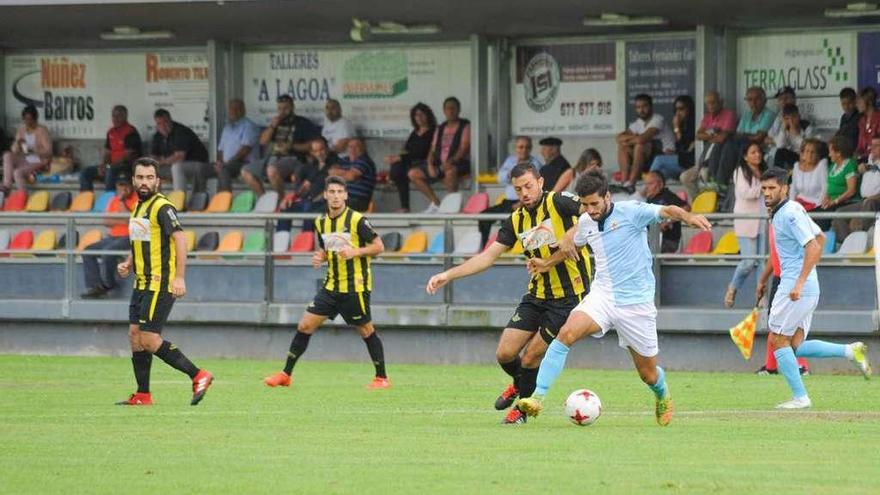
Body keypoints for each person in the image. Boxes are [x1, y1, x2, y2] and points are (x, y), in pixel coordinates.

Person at [516, 170, 711, 426]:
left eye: (594, 203)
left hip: (636, 304)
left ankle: (662, 394)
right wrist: (546, 263)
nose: (590, 209)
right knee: (565, 334)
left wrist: (688, 216)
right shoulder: (585, 221)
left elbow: (667, 210)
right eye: (585, 204)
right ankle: (537, 398)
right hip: (603, 296)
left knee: (648, 374)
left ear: (607, 196)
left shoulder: (631, 211)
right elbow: (571, 247)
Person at [426, 163, 593, 425]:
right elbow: (487, 257)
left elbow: (591, 212)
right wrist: (448, 275)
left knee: (531, 357)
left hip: (568, 298)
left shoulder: (559, 202)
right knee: (505, 353)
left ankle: (522, 412)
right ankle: (519, 383)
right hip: (537, 295)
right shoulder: (515, 220)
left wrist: (571, 234)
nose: (524, 192)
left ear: (540, 182)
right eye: (518, 189)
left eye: (528, 186)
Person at [757, 167, 871, 409]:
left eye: (772, 188)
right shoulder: (790, 210)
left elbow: (812, 246)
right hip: (804, 285)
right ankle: (850, 351)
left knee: (777, 340)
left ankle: (800, 397)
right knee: (794, 345)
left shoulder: (789, 213)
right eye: (764, 188)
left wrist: (799, 281)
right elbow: (819, 238)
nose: (766, 193)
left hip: (794, 287)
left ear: (784, 188)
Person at [264, 176, 389, 389]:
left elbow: (379, 246)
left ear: (346, 195)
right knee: (304, 325)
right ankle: (286, 374)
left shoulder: (357, 220)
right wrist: (320, 256)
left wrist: (355, 252)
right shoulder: (320, 223)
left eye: (340, 192)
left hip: (355, 287)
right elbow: (327, 248)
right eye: (332, 192)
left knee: (366, 330)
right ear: (325, 195)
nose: (336, 196)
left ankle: (381, 378)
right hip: (330, 286)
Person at [115, 157, 213, 406]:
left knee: (148, 338)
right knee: (135, 335)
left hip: (160, 282)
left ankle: (198, 375)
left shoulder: (162, 207)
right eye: (140, 177)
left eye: (150, 177)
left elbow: (180, 239)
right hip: (142, 282)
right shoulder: (138, 207)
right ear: (133, 180)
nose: (145, 182)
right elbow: (141, 241)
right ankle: (143, 394)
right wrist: (129, 262)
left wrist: (179, 277)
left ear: (158, 181)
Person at [755, 223, 810, 376]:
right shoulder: (773, 223)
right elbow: (774, 256)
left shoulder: (791, 219)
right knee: (775, 324)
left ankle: (801, 365)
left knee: (793, 324)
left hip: (793, 278)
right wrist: (762, 280)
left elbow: (811, 247)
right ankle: (771, 367)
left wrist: (801, 279)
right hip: (780, 279)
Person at [80, 169, 139, 299]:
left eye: (125, 185)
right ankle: (96, 286)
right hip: (113, 236)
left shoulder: (138, 199)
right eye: (120, 185)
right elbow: (106, 221)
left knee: (108, 252)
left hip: (130, 237)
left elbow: (132, 221)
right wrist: (123, 218)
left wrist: (123, 203)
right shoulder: (114, 200)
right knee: (88, 251)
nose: (122, 188)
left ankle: (108, 284)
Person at [724, 142, 767, 308]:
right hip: (746, 220)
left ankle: (761, 299)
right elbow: (746, 193)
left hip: (763, 221)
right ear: (745, 156)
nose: (757, 155)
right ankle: (733, 287)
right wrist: (764, 187)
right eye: (753, 152)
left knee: (763, 263)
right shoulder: (740, 172)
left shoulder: (764, 171)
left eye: (759, 151)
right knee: (749, 261)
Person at [478, 136, 542, 247]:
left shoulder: (535, 164)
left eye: (527, 147)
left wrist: (522, 203)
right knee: (484, 216)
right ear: (515, 148)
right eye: (520, 147)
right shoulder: (510, 160)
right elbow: (500, 178)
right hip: (507, 201)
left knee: (508, 221)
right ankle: (483, 246)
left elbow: (534, 188)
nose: (523, 150)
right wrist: (511, 172)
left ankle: (508, 248)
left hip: (524, 202)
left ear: (531, 148)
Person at [410, 97, 471, 212]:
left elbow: (463, 148)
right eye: (448, 108)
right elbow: (432, 149)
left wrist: (449, 163)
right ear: (444, 111)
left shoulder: (465, 125)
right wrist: (430, 165)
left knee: (450, 173)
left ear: (458, 110)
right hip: (439, 164)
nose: (451, 111)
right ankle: (436, 203)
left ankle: (451, 208)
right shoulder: (440, 127)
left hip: (458, 163)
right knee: (413, 173)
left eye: (453, 108)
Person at [261, 94, 321, 197]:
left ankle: (282, 200)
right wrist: (272, 126)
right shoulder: (276, 123)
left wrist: (291, 146)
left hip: (294, 158)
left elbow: (314, 145)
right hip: (272, 157)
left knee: (271, 170)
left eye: (286, 108)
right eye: (280, 108)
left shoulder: (302, 123)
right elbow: (263, 142)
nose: (283, 111)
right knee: (246, 171)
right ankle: (262, 199)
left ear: (292, 107)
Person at [277, 137, 340, 232]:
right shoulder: (312, 166)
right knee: (286, 208)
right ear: (312, 153)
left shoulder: (335, 164)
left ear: (327, 149)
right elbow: (304, 187)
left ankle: (306, 242)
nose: (319, 153)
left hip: (323, 203)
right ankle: (281, 242)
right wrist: (291, 198)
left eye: (322, 149)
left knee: (309, 209)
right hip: (308, 201)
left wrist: (316, 199)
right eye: (316, 151)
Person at [683, 91, 737, 200]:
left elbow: (722, 138)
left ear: (721, 102)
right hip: (704, 160)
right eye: (708, 103)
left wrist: (708, 133)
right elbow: (698, 135)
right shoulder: (707, 117)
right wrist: (714, 134)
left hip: (717, 161)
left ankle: (709, 205)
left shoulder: (728, 114)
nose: (711, 106)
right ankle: (698, 203)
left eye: (714, 103)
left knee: (704, 174)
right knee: (685, 177)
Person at [616, 94, 675, 193]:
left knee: (640, 146)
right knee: (623, 147)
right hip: (647, 161)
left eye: (644, 106)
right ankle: (624, 183)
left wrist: (634, 139)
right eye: (638, 107)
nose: (641, 110)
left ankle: (631, 184)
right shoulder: (638, 123)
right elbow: (618, 138)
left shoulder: (658, 119)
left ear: (651, 106)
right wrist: (634, 138)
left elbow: (642, 139)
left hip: (664, 158)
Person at [386, 103, 437, 212]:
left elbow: (422, 152)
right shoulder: (415, 132)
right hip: (411, 162)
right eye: (416, 115)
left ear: (428, 115)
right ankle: (405, 207)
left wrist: (401, 158)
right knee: (398, 169)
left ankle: (436, 203)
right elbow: (407, 149)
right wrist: (397, 157)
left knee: (400, 168)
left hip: (425, 162)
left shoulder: (433, 130)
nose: (419, 118)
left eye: (422, 114)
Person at [79, 105, 142, 192]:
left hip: (126, 167)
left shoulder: (131, 132)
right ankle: (86, 200)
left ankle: (109, 201)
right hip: (111, 166)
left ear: (125, 117)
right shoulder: (111, 132)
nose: (115, 119)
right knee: (85, 172)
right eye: (113, 116)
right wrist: (103, 165)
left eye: (118, 116)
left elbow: (127, 156)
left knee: (111, 171)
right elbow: (107, 153)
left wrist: (108, 166)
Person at [831, 135, 880, 242]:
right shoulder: (870, 159)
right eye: (872, 145)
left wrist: (874, 198)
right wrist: (859, 170)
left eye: (876, 146)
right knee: (839, 213)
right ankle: (847, 244)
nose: (872, 148)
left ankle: (859, 243)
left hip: (876, 201)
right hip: (863, 201)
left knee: (869, 204)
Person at [150, 109, 211, 192]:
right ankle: (156, 201)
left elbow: (179, 158)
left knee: (177, 167)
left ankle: (179, 200)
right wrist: (158, 162)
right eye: (159, 123)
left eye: (165, 122)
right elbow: (153, 157)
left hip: (198, 164)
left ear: (170, 120)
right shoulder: (158, 135)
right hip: (173, 165)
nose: (163, 126)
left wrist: (162, 161)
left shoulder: (180, 131)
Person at [2, 105, 52, 193]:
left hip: (38, 161)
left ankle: (23, 197)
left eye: (30, 119)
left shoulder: (42, 130)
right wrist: (18, 143)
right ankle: (7, 185)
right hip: (25, 160)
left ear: (35, 119)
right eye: (25, 119)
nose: (28, 122)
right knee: (7, 155)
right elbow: (13, 151)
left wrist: (33, 151)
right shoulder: (21, 130)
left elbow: (49, 151)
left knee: (17, 173)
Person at [215, 99, 261, 194]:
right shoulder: (227, 127)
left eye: (237, 108)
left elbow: (245, 150)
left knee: (224, 170)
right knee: (200, 169)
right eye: (231, 108)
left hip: (244, 163)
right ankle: (199, 201)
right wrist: (220, 162)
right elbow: (220, 150)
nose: (234, 111)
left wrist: (227, 163)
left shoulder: (249, 126)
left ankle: (224, 202)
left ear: (243, 110)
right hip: (227, 164)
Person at [816, 134, 860, 230]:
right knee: (811, 214)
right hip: (833, 203)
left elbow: (851, 191)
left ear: (839, 152)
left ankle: (824, 243)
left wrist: (835, 201)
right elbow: (830, 186)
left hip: (846, 203)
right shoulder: (832, 166)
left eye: (831, 151)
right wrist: (827, 198)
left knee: (823, 218)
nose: (829, 154)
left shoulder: (850, 164)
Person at [649, 95, 696, 180]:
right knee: (662, 172)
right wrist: (674, 153)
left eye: (681, 109)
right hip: (683, 163)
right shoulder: (683, 124)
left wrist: (676, 127)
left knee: (659, 160)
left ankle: (646, 187)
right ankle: (654, 191)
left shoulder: (693, 123)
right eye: (676, 109)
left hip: (691, 164)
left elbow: (685, 145)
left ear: (689, 109)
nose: (678, 113)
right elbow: (681, 147)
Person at [642, 171, 689, 253]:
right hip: (653, 239)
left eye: (650, 184)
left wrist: (668, 221)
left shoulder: (667, 196)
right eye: (646, 184)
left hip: (668, 241)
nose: (647, 187)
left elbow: (686, 208)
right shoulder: (649, 199)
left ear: (660, 184)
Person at [328, 138, 375, 212]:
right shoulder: (344, 160)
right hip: (342, 198)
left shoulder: (365, 161)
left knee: (324, 210)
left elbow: (351, 177)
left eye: (357, 146)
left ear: (363, 148)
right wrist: (346, 172)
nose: (353, 149)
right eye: (350, 146)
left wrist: (339, 173)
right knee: (314, 208)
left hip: (357, 200)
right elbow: (331, 172)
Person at [789, 139, 828, 211]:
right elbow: (793, 190)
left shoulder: (821, 165)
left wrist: (817, 207)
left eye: (813, 152)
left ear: (818, 155)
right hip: (799, 203)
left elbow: (825, 188)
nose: (809, 155)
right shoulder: (796, 167)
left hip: (815, 204)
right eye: (807, 151)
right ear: (803, 154)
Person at [856, 87, 880, 159]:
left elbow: (877, 145)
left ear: (869, 102)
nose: (857, 105)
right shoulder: (862, 121)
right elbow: (860, 147)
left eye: (859, 102)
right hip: (863, 159)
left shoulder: (878, 118)